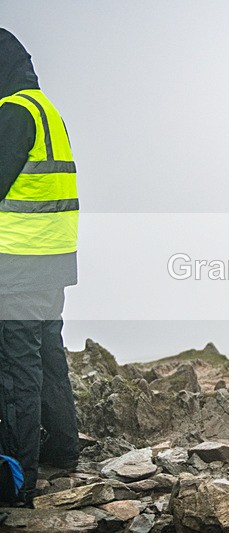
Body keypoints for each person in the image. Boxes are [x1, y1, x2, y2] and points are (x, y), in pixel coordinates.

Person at [0, 28, 80, 506]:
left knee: (17, 369)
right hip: (52, 261)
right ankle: (62, 452)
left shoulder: (13, 113)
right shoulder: (46, 109)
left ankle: (16, 482)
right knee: (49, 355)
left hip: (18, 266)